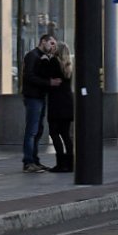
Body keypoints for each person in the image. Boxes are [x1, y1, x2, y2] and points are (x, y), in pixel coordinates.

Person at [22, 34, 58, 173]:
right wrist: (48, 83)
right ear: (43, 41)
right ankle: (28, 162)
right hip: (33, 97)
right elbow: (29, 76)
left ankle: (34, 160)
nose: (53, 46)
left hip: (40, 96)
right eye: (51, 43)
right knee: (32, 130)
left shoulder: (43, 57)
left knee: (38, 130)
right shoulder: (32, 56)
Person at [44, 42, 74, 173]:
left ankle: (61, 163)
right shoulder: (68, 66)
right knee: (65, 134)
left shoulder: (54, 62)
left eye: (54, 47)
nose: (52, 48)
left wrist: (45, 58)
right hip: (67, 103)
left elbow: (46, 76)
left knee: (54, 132)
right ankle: (70, 163)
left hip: (57, 104)